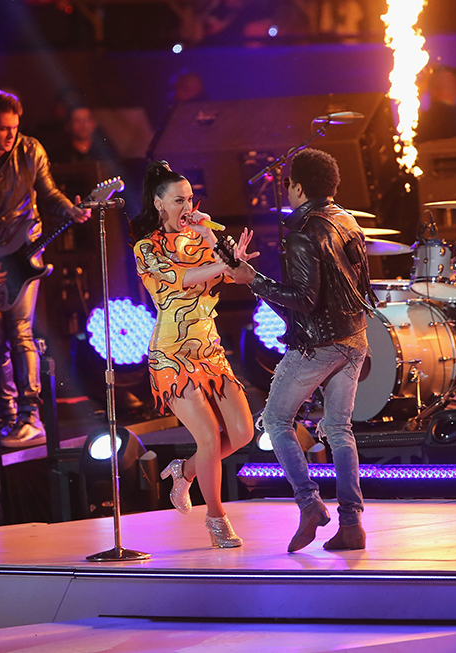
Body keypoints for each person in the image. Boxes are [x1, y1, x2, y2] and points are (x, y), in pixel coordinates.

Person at [227, 148, 374, 553]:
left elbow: (305, 300)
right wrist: (253, 278)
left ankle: (309, 504)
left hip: (321, 343)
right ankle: (351, 525)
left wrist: (251, 281)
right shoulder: (347, 220)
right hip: (355, 337)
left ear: (296, 187)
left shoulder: (304, 232)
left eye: (289, 183)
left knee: (275, 420)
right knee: (340, 429)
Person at [0, 90, 90, 447]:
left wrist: (70, 209)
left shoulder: (29, 149)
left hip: (26, 249)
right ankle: (6, 416)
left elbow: (48, 192)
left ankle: (30, 417)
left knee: (21, 331)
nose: (12, 136)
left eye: (15, 127)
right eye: (4, 129)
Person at [131, 160, 256, 548]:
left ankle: (183, 472)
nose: (187, 205)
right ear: (159, 204)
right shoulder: (146, 248)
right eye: (178, 199)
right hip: (172, 354)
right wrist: (221, 260)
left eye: (190, 198)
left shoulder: (203, 236)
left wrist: (215, 241)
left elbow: (242, 277)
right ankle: (216, 519)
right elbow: (182, 279)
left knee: (243, 433)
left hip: (210, 350)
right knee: (208, 436)